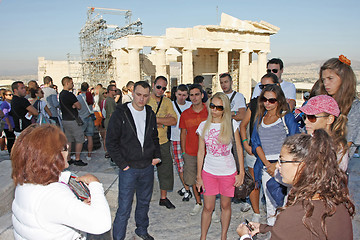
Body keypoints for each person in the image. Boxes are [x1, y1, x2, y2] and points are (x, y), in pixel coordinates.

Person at [237, 130, 354, 239]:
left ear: (302, 166)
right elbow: (305, 231)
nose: (277, 166)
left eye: (282, 160)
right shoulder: (336, 203)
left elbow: (296, 226)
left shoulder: (296, 215)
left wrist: (245, 236)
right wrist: (265, 228)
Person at [11, 124, 111, 239]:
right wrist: (95, 183)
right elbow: (102, 223)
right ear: (50, 156)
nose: (68, 147)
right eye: (63, 147)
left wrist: (76, 207)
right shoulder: (52, 195)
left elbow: (49, 212)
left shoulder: (25, 181)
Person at [106, 81, 161, 240]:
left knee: (144, 203)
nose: (141, 99)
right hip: (128, 169)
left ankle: (141, 230)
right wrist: (123, 165)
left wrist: (156, 157)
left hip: (147, 167)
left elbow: (154, 137)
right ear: (132, 93)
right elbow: (111, 142)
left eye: (145, 96)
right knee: (124, 207)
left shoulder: (150, 113)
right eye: (138, 95)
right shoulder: (121, 113)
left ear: (149, 96)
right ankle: (118, 237)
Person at [196, 92, 245, 240]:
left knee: (225, 206)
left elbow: (238, 148)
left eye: (219, 107)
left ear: (225, 109)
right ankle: (203, 237)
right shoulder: (204, 126)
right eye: (212, 106)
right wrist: (199, 176)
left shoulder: (231, 124)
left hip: (228, 172)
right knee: (208, 207)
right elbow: (200, 152)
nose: (215, 110)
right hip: (209, 171)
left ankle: (223, 237)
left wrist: (241, 173)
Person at [251, 84, 299, 225]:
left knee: (287, 203)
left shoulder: (286, 117)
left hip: (285, 166)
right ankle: (273, 233)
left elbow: (294, 141)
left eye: (272, 100)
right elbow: (256, 143)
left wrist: (277, 165)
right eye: (264, 100)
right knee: (271, 204)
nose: (267, 103)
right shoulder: (260, 118)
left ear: (279, 100)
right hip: (266, 167)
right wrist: (268, 165)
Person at [239, 73, 279, 222]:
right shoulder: (255, 103)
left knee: (273, 186)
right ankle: (256, 214)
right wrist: (245, 143)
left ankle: (274, 217)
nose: (264, 89)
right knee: (254, 183)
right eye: (262, 86)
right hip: (254, 151)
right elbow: (243, 125)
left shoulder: (282, 106)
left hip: (273, 154)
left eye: (268, 86)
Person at [317, 55, 359, 158]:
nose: (326, 83)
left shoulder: (355, 108)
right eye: (324, 80)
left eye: (330, 78)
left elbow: (346, 146)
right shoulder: (324, 102)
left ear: (344, 79)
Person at [296, 95, 349, 171]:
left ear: (330, 119)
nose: (305, 121)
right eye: (304, 116)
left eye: (311, 117)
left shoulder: (339, 147)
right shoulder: (304, 141)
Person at [148, 76, 177, 209]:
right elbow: (143, 119)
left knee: (165, 169)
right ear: (153, 85)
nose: (161, 90)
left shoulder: (167, 102)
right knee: (144, 170)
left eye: (164, 88)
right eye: (159, 87)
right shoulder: (146, 99)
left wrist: (155, 120)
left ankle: (163, 198)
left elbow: (173, 121)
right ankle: (144, 197)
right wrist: (162, 120)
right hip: (146, 142)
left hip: (163, 141)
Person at [179, 84, 208, 216]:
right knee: (192, 180)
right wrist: (183, 152)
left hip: (208, 153)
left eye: (197, 94)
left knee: (207, 181)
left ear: (202, 95)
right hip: (190, 153)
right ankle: (198, 203)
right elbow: (183, 133)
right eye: (192, 95)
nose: (194, 97)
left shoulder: (210, 112)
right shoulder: (185, 114)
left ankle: (209, 207)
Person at [170, 84, 192, 201]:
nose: (181, 97)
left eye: (184, 95)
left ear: (187, 95)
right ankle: (187, 189)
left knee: (189, 164)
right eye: (179, 94)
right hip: (176, 139)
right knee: (180, 166)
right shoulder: (171, 105)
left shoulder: (190, 106)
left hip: (189, 139)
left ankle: (186, 186)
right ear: (175, 94)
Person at [59, 76, 87, 166]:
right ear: (67, 83)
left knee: (69, 140)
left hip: (65, 119)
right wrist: (75, 105)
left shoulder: (61, 94)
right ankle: (77, 158)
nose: (73, 84)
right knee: (79, 139)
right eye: (71, 82)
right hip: (72, 120)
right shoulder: (69, 94)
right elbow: (79, 106)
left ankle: (68, 158)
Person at [77, 82, 95, 161]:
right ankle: (89, 155)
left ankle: (78, 155)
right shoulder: (90, 96)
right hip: (90, 117)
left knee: (80, 138)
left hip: (82, 118)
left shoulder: (79, 97)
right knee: (90, 137)